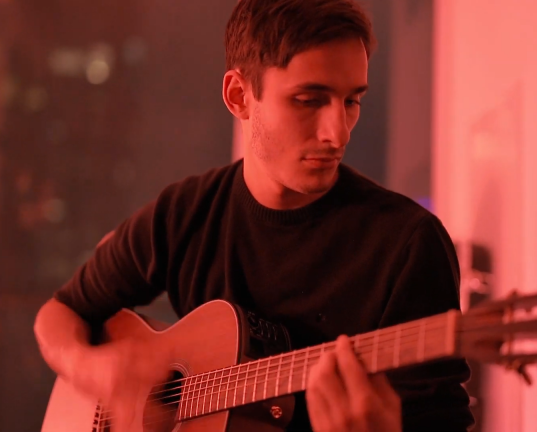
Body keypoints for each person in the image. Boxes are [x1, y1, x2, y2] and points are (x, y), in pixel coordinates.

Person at [33, 0, 475, 430]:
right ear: (239, 96)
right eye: (309, 100)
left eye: (351, 101)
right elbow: (59, 313)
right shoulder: (186, 214)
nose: (337, 133)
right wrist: (96, 372)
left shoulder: (407, 244)